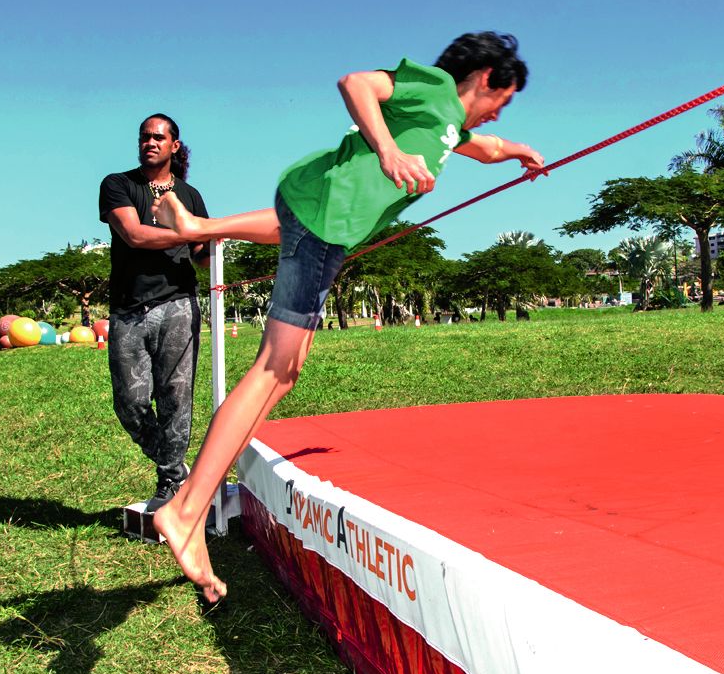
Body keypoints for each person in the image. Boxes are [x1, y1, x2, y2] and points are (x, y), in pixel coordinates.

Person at [148, 32, 545, 602]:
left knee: (285, 359)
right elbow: (356, 84)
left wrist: (519, 152)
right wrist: (386, 148)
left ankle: (197, 230)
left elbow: (481, 146)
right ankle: (186, 510)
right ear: (486, 78)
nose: (502, 108)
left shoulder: (447, 127)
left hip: (310, 212)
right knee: (275, 371)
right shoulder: (432, 89)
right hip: (324, 223)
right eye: (503, 97)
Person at [97, 114, 210, 513]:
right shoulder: (118, 185)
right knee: (129, 403)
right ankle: (177, 468)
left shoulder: (191, 196)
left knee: (176, 399)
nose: (150, 142)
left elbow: (201, 256)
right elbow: (133, 234)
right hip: (129, 308)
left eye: (158, 137)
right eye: (144, 136)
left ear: (174, 146)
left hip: (179, 304)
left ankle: (169, 484)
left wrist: (212, 245)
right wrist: (191, 231)